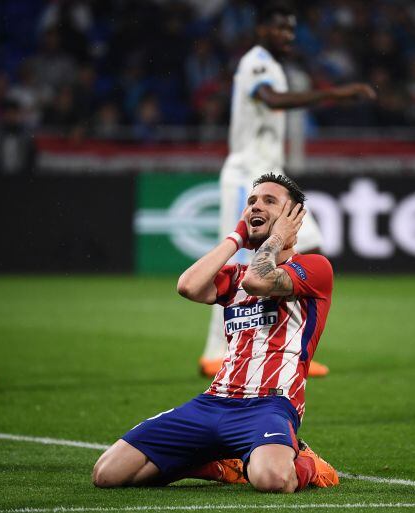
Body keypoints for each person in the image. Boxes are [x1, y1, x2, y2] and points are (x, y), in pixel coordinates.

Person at [93, 173, 338, 492]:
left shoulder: (314, 268)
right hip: (214, 402)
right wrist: (237, 236)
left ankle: (307, 463)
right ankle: (216, 464)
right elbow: (188, 286)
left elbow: (258, 282)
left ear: (293, 219)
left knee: (273, 480)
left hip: (270, 405)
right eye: (251, 202)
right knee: (108, 475)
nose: (255, 207)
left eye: (269, 201)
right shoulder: (234, 276)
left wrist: (276, 239)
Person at [200, 1, 376, 378]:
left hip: (271, 177)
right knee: (241, 264)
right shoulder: (256, 62)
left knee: (309, 247)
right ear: (261, 29)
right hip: (248, 176)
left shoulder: (273, 65)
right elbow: (273, 100)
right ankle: (217, 352)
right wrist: (335, 95)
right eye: (280, 29)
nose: (287, 36)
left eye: (291, 30)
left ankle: (289, 343)